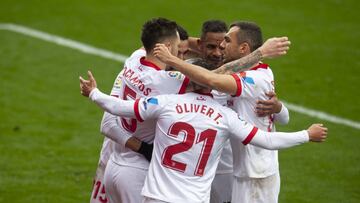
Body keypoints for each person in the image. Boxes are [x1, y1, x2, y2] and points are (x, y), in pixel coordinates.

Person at [79, 70, 327, 203]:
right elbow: (266, 140)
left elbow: (120, 108)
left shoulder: (167, 102)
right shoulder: (224, 115)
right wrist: (307, 134)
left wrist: (93, 93)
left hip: (157, 196)